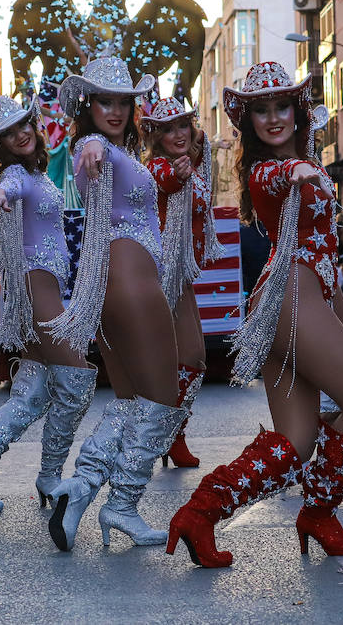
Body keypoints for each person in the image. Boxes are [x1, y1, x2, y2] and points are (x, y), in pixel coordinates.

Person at [167, 63, 343, 568]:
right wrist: (296, 170)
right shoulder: (268, 171)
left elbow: (322, 248)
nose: (271, 119)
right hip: (289, 299)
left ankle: (201, 512)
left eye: (280, 106)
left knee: (296, 441)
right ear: (248, 123)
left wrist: (339, 314)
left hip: (306, 297)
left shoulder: (306, 161)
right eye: (259, 111)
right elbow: (273, 179)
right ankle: (320, 512)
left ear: (298, 110)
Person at [44, 56, 186, 552]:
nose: (117, 110)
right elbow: (90, 149)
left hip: (114, 278)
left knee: (129, 400)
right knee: (165, 397)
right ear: (88, 105)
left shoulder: (122, 151)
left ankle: (79, 488)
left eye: (124, 101)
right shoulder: (95, 145)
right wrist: (92, 149)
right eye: (105, 100)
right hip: (127, 276)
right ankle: (122, 505)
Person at [0, 95, 97, 513]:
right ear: (1, 145)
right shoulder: (17, 174)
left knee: (28, 397)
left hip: (42, 284)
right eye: (10, 133)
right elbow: (10, 185)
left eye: (24, 124)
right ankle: (50, 475)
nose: (22, 134)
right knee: (77, 378)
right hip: (37, 287)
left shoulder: (38, 171)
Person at [140, 97, 224, 469]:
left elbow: (199, 145)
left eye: (183, 126)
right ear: (155, 137)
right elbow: (169, 178)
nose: (178, 134)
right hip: (161, 275)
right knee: (185, 358)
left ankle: (170, 435)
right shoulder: (158, 166)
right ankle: (161, 436)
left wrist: (199, 144)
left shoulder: (195, 158)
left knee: (191, 359)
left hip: (180, 277)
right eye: (167, 128)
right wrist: (181, 171)